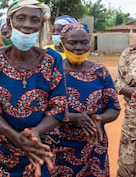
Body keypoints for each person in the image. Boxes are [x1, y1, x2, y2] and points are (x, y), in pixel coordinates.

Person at [0, 0, 67, 176]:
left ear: (41, 26)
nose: (27, 25)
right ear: (9, 23)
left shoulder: (52, 60)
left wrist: (34, 134)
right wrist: (14, 137)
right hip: (2, 148)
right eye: (21, 18)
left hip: (39, 146)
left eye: (35, 20)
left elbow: (59, 107)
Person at [51, 22, 120, 175]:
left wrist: (99, 118)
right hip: (60, 147)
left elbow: (113, 107)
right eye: (72, 42)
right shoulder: (53, 72)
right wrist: (72, 118)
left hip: (94, 146)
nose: (79, 47)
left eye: (84, 42)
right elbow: (43, 110)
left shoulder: (100, 71)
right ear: (62, 45)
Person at [114, 44, 136, 176]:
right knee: (127, 169)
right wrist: (133, 92)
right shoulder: (129, 53)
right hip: (132, 125)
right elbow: (118, 83)